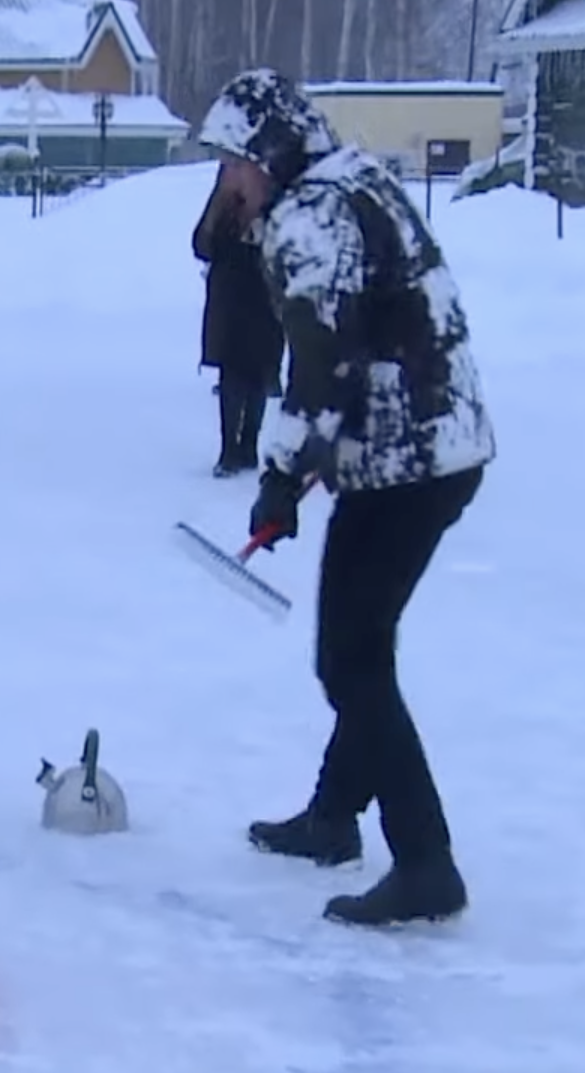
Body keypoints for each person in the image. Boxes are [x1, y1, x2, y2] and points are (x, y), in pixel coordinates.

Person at [200, 68, 498, 927]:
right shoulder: (355, 177)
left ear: (267, 154)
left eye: (232, 165)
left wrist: (280, 480)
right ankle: (333, 816)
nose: (229, 185)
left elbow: (322, 369)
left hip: (406, 463)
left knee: (349, 659)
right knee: (364, 644)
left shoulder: (307, 218)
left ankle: (425, 860)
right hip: (438, 445)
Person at [192, 163, 284, 477]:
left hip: (265, 298)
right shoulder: (223, 203)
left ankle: (249, 447)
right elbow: (201, 246)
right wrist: (218, 214)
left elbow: (287, 248)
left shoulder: (277, 203)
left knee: (258, 374)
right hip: (229, 297)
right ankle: (229, 450)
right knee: (232, 375)